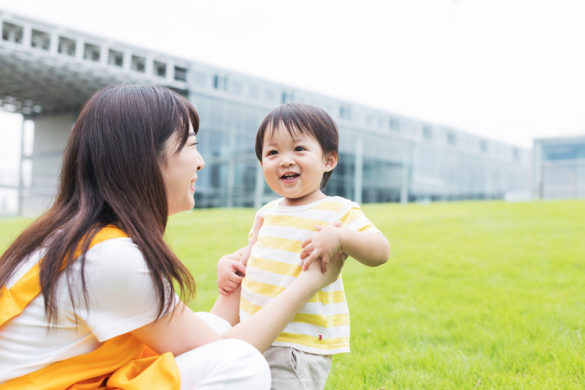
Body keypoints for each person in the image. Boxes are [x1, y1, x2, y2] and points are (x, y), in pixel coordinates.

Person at [0, 85, 345, 390]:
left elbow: (207, 340)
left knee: (209, 325)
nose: (200, 163)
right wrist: (308, 282)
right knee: (243, 364)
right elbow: (229, 351)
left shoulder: (77, 238)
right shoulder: (111, 258)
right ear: (146, 159)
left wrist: (240, 278)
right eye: (192, 146)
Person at [217, 103, 390, 390]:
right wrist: (228, 262)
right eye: (273, 153)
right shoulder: (268, 212)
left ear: (328, 160)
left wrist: (342, 238)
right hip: (253, 331)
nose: (285, 160)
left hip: (298, 344)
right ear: (261, 164)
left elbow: (380, 250)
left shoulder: (337, 210)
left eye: (299, 149)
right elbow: (255, 254)